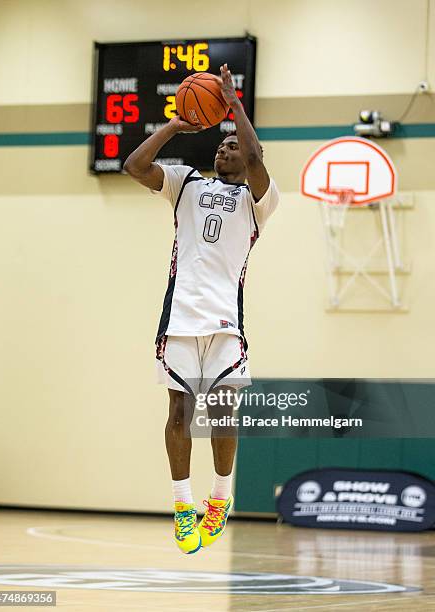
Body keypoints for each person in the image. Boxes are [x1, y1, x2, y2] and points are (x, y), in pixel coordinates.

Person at [124, 64, 279, 554]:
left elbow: (254, 154)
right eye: (221, 143)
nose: (225, 148)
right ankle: (182, 506)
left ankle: (220, 497)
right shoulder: (185, 182)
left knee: (222, 412)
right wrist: (175, 124)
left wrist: (232, 103)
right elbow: (134, 166)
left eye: (232, 145)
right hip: (180, 318)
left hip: (225, 322)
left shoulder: (259, 199)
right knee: (179, 412)